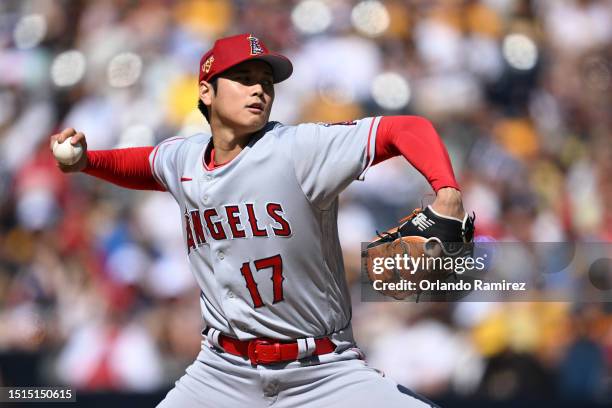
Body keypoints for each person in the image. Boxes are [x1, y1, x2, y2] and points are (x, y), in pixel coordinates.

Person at [51, 33, 468, 407]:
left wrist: (445, 189)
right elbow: (145, 164)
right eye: (244, 79)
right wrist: (89, 161)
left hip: (322, 372)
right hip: (220, 373)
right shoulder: (184, 157)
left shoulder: (299, 149)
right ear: (206, 92)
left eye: (266, 83)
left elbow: (405, 128)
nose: (259, 90)